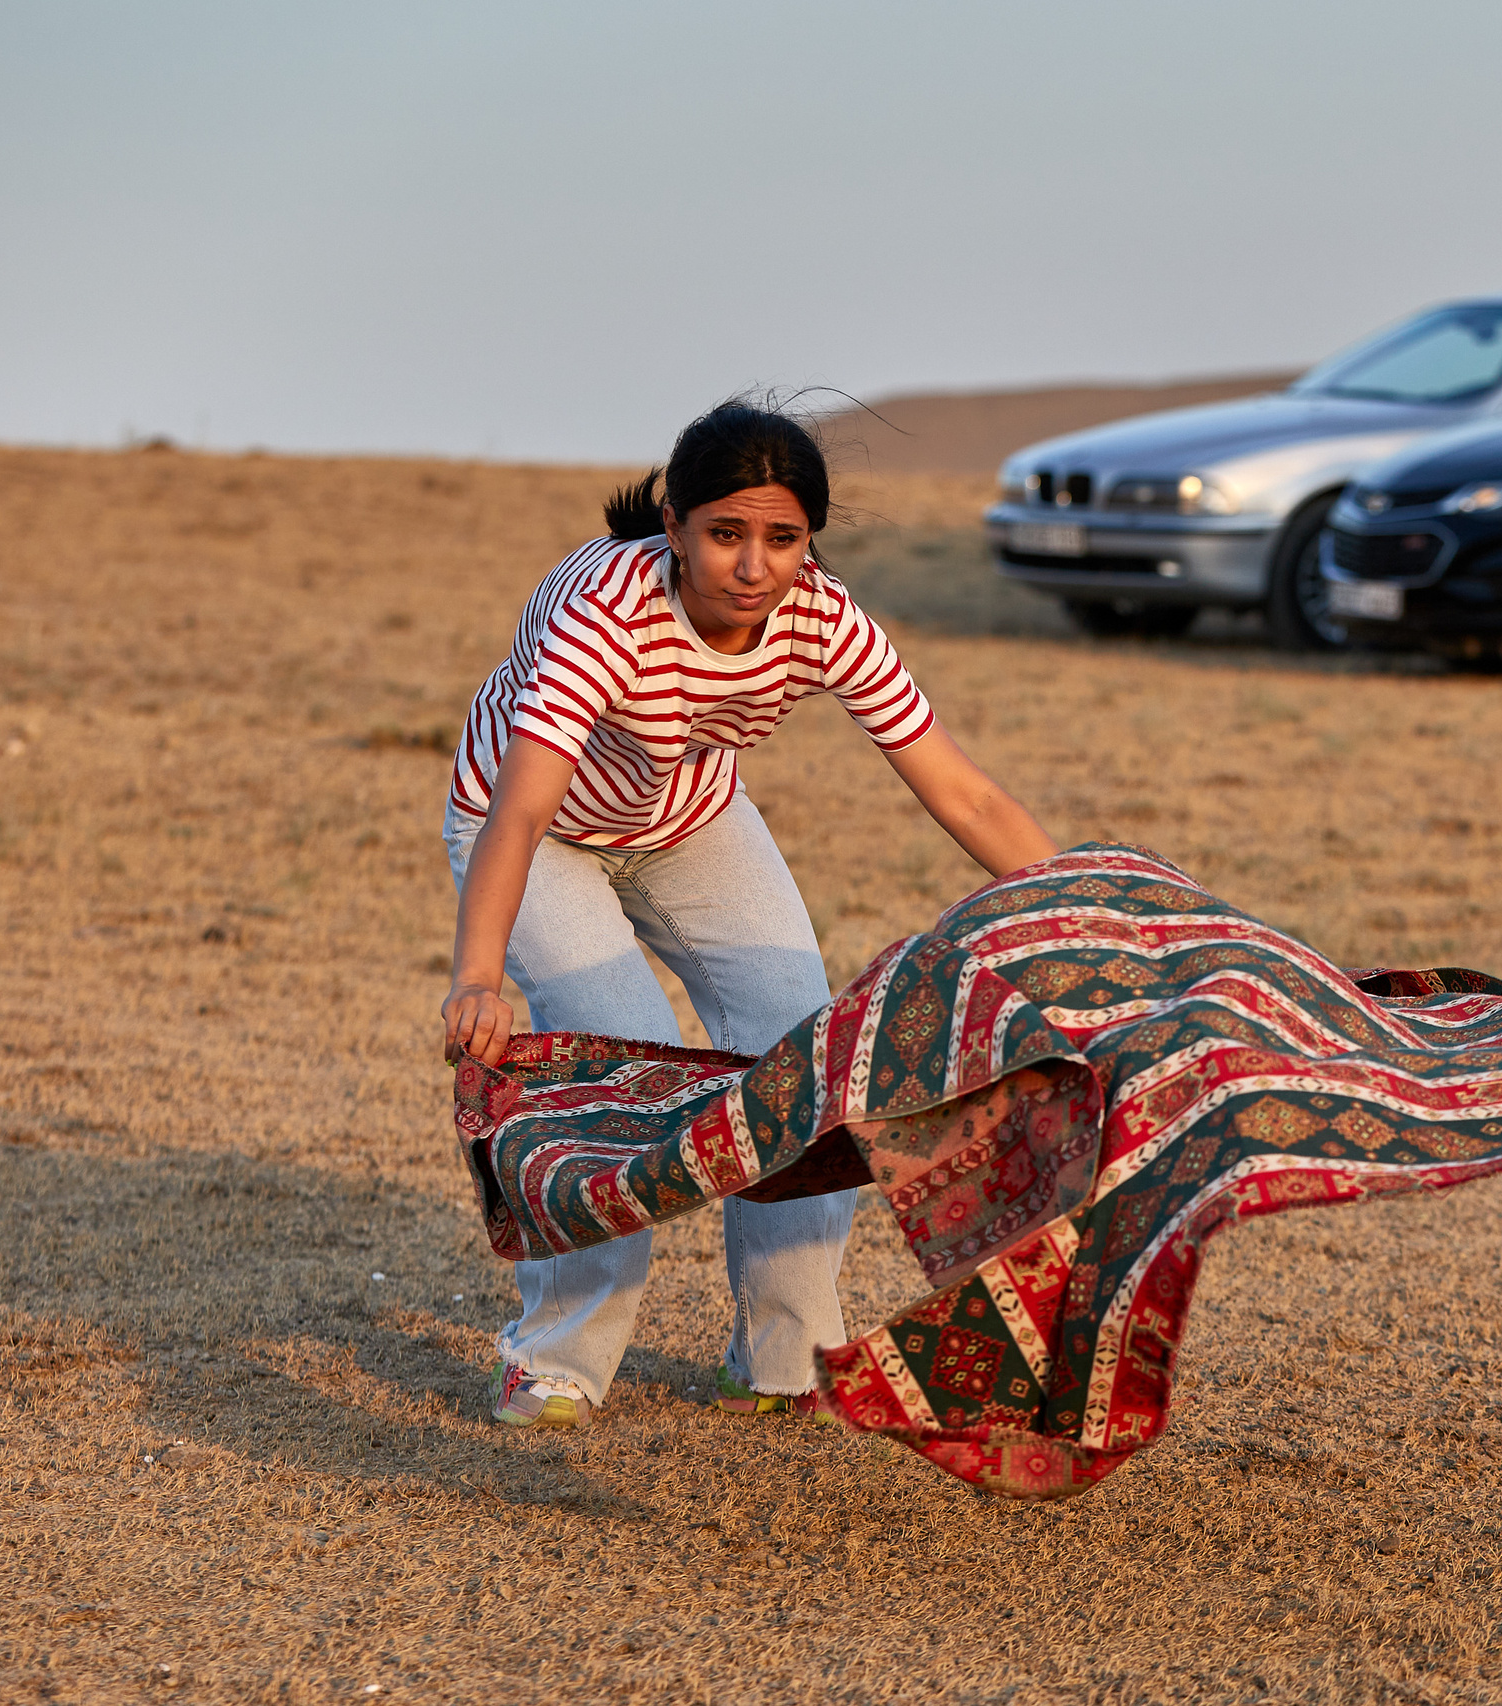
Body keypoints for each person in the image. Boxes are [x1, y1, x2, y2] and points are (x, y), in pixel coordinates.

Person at [440, 399, 1058, 1428]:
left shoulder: (822, 617)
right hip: (533, 832)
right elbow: (523, 805)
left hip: (689, 818)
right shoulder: (610, 612)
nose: (753, 565)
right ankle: (553, 1362)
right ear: (674, 525)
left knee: (805, 1062)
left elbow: (967, 796)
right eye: (725, 533)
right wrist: (477, 973)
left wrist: (1098, 918)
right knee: (622, 1074)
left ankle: (785, 1355)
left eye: (782, 538)